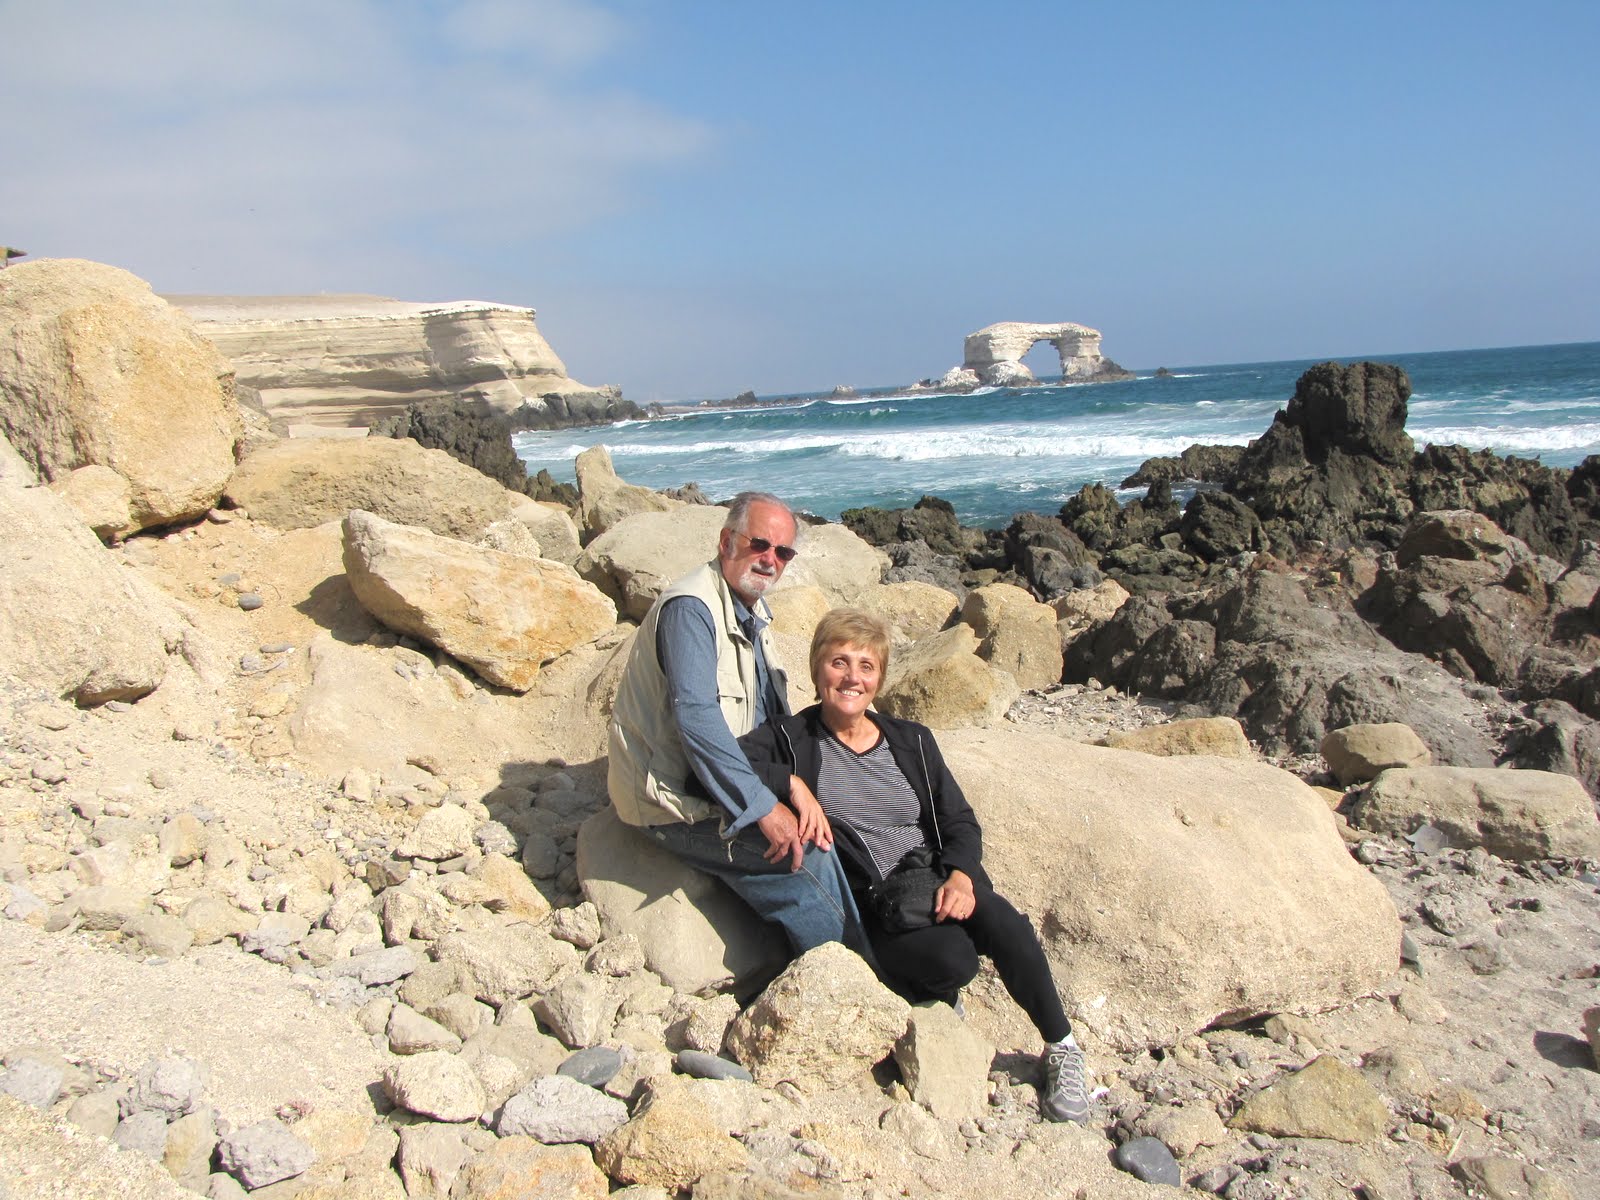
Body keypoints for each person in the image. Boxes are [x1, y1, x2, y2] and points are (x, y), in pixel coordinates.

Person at [734, 607, 1093, 1124]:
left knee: (1005, 922)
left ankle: (1063, 1048)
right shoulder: (791, 739)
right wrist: (790, 785)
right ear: (817, 669)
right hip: (878, 906)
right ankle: (932, 991)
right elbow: (724, 760)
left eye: (866, 666)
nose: (852, 677)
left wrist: (962, 876)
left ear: (879, 678)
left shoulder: (912, 740)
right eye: (839, 662)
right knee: (955, 962)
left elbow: (959, 821)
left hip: (935, 879)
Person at [607, 492, 872, 961]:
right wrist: (763, 805)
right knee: (806, 853)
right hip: (672, 801)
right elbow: (698, 720)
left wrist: (798, 781)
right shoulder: (692, 610)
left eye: (783, 552)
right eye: (760, 544)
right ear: (727, 541)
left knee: (834, 817)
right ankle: (850, 976)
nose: (770, 560)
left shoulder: (750, 610)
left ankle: (874, 938)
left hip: (726, 778)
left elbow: (769, 719)